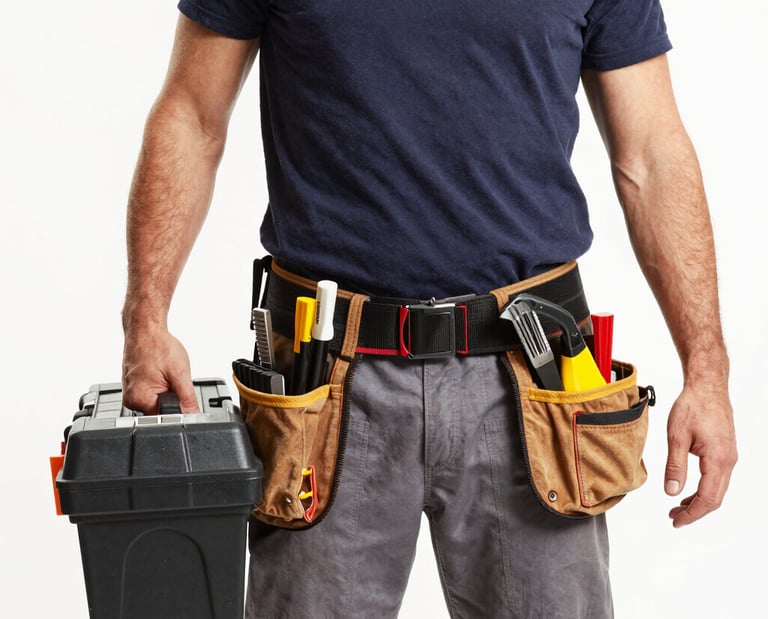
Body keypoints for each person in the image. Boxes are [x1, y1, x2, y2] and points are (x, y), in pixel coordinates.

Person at [121, 1, 737, 617]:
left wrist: (706, 372)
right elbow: (191, 117)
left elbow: (652, 154)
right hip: (326, 377)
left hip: (535, 374)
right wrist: (145, 319)